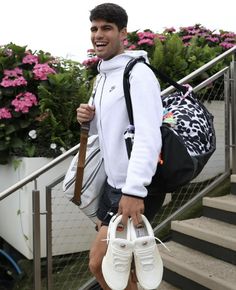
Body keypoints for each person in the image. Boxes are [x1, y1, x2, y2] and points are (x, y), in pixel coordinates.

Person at [77, 3, 166, 289]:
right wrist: (86, 120)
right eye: (94, 28)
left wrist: (134, 191)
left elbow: (149, 135)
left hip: (134, 187)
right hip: (112, 185)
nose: (98, 35)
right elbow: (111, 131)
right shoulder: (102, 76)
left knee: (99, 263)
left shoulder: (138, 75)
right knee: (122, 269)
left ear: (122, 33)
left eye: (106, 28)